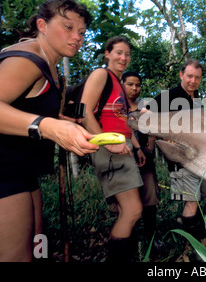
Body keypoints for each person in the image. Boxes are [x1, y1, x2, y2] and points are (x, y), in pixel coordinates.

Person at [0, 0, 98, 262]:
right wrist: (48, 126)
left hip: (22, 172)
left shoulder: (48, 64)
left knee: (38, 248)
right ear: (42, 25)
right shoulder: (28, 59)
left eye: (82, 32)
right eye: (68, 27)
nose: (77, 36)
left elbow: (22, 106)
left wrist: (58, 120)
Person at [80, 36, 145, 262]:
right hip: (109, 148)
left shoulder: (118, 83)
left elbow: (119, 118)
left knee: (125, 210)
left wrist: (137, 121)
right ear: (107, 54)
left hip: (122, 146)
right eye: (118, 52)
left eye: (127, 54)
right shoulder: (102, 75)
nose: (123, 58)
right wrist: (107, 142)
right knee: (133, 210)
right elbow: (84, 112)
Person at [146, 59, 206, 239]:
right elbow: (145, 115)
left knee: (200, 195)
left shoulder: (196, 96)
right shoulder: (170, 95)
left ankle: (192, 231)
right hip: (179, 158)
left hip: (197, 155)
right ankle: (197, 245)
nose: (193, 80)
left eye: (197, 77)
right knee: (192, 199)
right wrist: (164, 136)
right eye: (189, 76)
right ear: (181, 75)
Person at [122, 71, 160, 241]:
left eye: (137, 85)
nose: (134, 88)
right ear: (122, 85)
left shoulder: (145, 106)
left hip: (145, 156)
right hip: (123, 157)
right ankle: (129, 237)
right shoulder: (117, 107)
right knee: (126, 197)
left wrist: (149, 146)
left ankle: (151, 236)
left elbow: (154, 127)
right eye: (130, 84)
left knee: (149, 196)